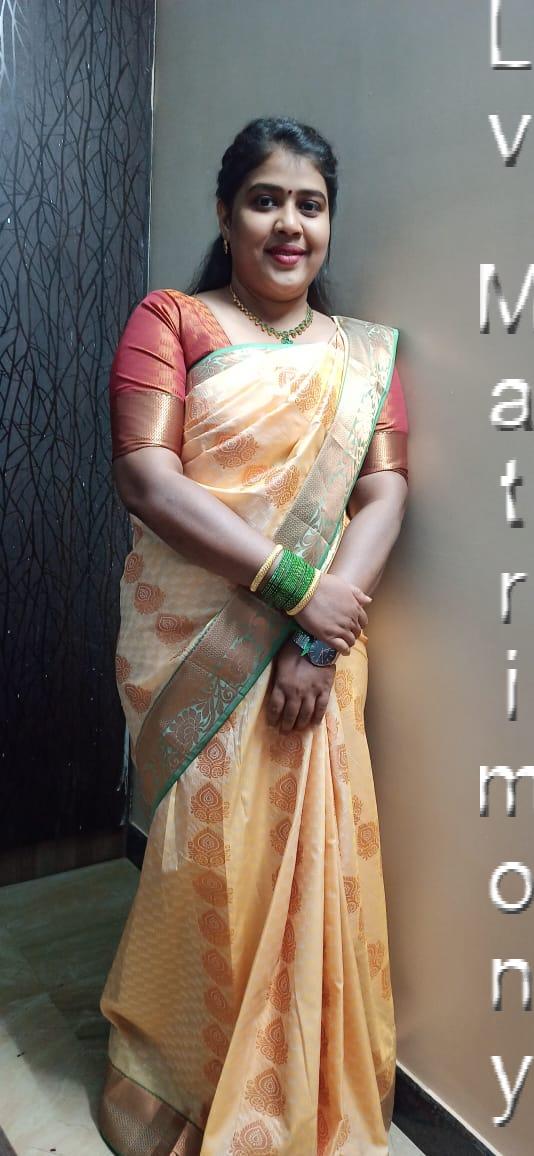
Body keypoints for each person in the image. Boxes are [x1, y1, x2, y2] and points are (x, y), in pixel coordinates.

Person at [98, 116, 408, 1156]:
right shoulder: (173, 319)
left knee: (310, 868)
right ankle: (188, 1078)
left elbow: (384, 493)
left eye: (309, 205)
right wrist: (291, 588)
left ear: (329, 222)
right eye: (265, 200)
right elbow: (147, 479)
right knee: (203, 867)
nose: (289, 224)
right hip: (202, 645)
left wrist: (316, 641)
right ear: (226, 215)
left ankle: (299, 1084)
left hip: (319, 657)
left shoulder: (364, 354)